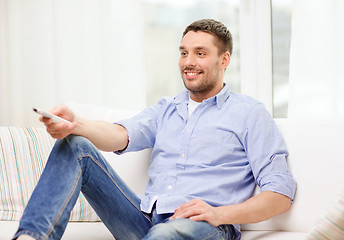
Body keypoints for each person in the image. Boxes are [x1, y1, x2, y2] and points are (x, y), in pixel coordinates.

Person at [14, 19, 296, 240]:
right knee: (76, 145)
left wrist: (219, 214)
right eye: (184, 53)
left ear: (224, 60)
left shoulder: (250, 113)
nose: (189, 62)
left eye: (200, 53)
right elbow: (120, 136)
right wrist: (77, 124)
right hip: (144, 221)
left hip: (204, 227)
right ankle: (31, 236)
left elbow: (280, 195)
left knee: (168, 233)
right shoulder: (165, 109)